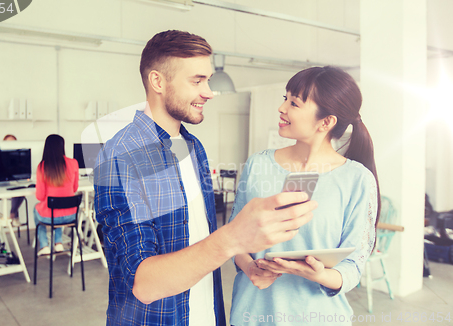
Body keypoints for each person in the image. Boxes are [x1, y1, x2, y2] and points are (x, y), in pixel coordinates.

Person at [94, 30, 318, 326]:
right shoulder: (122, 154)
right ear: (158, 82)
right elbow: (143, 284)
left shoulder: (193, 147)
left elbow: (199, 241)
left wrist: (249, 265)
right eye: (197, 80)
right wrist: (233, 237)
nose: (209, 92)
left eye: (208, 80)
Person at [228, 66, 380, 326]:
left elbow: (354, 266)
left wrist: (318, 274)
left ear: (326, 122)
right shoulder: (258, 165)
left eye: (294, 103)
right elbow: (234, 238)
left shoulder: (357, 180)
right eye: (284, 98)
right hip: (252, 315)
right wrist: (250, 268)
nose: (282, 108)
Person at [34, 134, 79, 256]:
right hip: (71, 216)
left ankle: (44, 245)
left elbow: (40, 196)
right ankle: (58, 243)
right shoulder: (73, 163)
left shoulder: (42, 166)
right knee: (59, 206)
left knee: (36, 209)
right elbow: (75, 188)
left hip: (51, 217)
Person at [1, 134, 26, 227]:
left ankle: (12, 215)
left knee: (22, 190)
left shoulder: (20, 155)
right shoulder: (0, 156)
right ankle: (13, 216)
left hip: (15, 182)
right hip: (3, 183)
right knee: (16, 191)